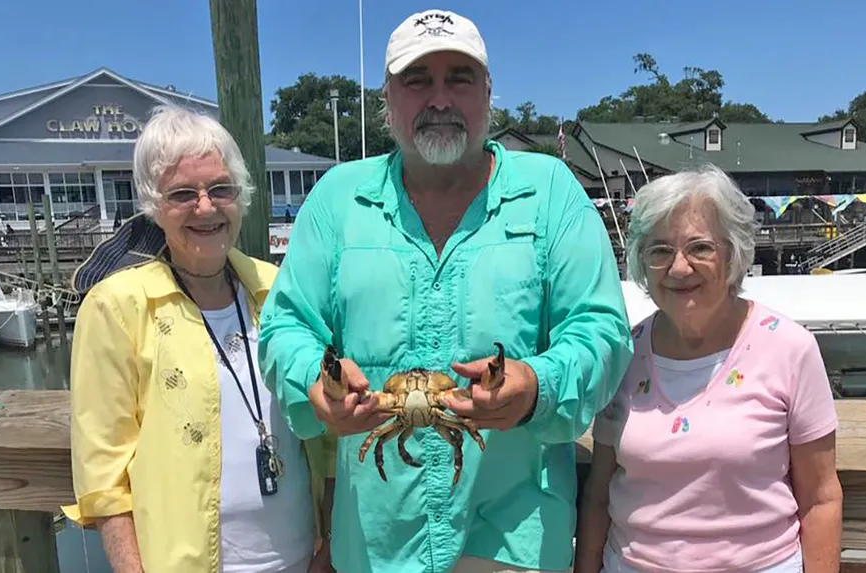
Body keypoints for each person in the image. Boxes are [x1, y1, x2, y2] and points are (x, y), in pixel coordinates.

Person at [258, 8, 633, 573]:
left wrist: (537, 385)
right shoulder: (338, 198)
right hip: (376, 541)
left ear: (488, 91)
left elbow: (602, 329)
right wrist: (317, 380)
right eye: (417, 79)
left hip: (515, 532)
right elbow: (286, 326)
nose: (439, 98)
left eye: (459, 77)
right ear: (388, 97)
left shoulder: (551, 190)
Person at [62, 104, 336, 573]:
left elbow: (327, 434)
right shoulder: (116, 307)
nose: (206, 207)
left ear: (241, 196)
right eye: (183, 193)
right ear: (153, 204)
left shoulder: (278, 290)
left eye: (221, 189)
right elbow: (102, 474)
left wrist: (328, 547)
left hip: (299, 558)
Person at [574, 164, 843, 573]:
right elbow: (599, 492)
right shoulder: (623, 353)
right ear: (641, 263)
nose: (679, 268)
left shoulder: (790, 348)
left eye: (699, 248)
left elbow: (821, 498)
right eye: (660, 251)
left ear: (733, 253)